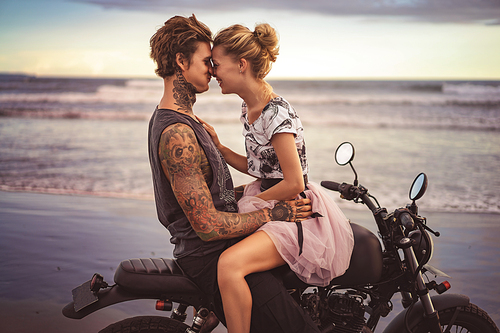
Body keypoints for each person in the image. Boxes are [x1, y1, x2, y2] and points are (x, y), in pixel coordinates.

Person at [147, 14, 320, 333]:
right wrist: (276, 211)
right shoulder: (177, 135)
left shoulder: (191, 122)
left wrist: (243, 195)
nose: (212, 71)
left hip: (226, 244)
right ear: (181, 62)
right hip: (212, 254)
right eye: (205, 61)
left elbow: (216, 197)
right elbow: (209, 226)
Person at [198, 23, 355, 333]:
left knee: (229, 265)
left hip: (294, 211)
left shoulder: (276, 114)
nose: (213, 71)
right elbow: (264, 168)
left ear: (241, 65)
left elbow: (294, 182)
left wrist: (257, 206)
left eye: (217, 63)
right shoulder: (249, 108)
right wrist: (220, 149)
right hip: (272, 199)